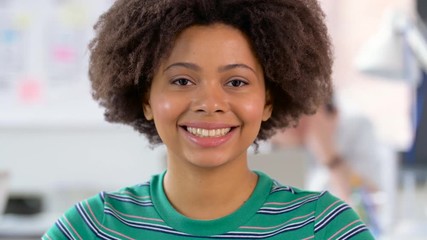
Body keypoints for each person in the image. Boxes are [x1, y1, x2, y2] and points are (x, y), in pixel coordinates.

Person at [43, 0, 375, 239]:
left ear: (267, 102)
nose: (210, 104)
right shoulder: (89, 230)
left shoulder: (325, 228)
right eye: (182, 81)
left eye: (236, 82)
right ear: (146, 99)